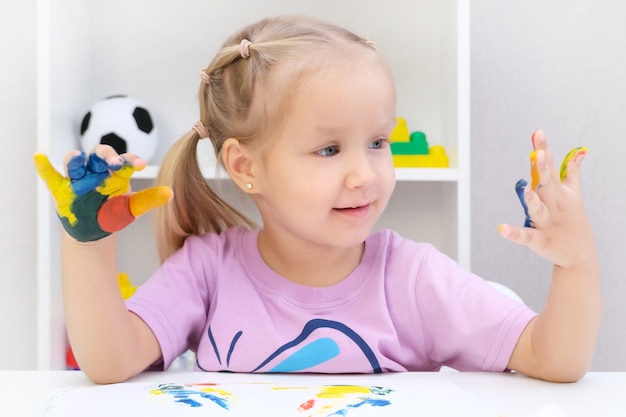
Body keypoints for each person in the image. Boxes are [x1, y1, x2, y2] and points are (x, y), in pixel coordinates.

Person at [35, 15, 600, 385]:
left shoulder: (413, 278)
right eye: (329, 149)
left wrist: (575, 262)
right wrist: (86, 245)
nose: (364, 174)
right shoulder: (209, 270)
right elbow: (107, 364)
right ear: (245, 167)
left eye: (378, 142)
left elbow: (555, 361)